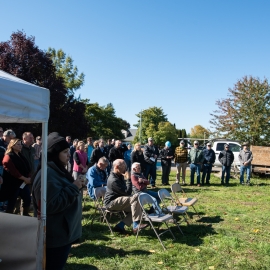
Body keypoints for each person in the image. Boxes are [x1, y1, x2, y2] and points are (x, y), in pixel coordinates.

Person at [32, 132, 84, 270]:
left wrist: (75, 185)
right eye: (65, 152)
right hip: (55, 236)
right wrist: (74, 188)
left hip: (61, 234)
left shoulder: (56, 170)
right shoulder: (48, 174)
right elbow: (49, 205)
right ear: (54, 154)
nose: (69, 155)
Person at [104, 159, 148, 234]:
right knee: (136, 198)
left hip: (120, 199)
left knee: (138, 206)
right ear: (117, 167)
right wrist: (128, 180)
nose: (126, 169)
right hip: (111, 203)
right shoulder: (113, 180)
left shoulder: (119, 176)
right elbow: (127, 192)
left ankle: (120, 226)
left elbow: (126, 191)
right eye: (124, 167)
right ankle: (135, 225)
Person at [0, 138, 31, 215]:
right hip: (12, 184)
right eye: (18, 144)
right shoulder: (8, 156)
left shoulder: (21, 156)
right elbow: (13, 171)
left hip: (23, 183)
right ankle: (8, 219)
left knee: (27, 199)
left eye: (20, 144)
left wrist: (28, 177)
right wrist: (24, 178)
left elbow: (27, 168)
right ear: (12, 146)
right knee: (12, 203)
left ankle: (25, 215)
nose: (20, 146)